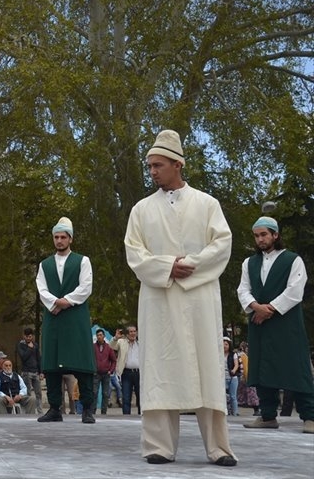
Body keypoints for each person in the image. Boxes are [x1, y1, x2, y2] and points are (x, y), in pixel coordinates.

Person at [125, 129, 236, 466]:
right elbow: (134, 253)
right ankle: (158, 445)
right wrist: (167, 267)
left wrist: (189, 266)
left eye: (158, 165)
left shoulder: (207, 204)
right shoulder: (141, 210)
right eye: (150, 166)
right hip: (158, 299)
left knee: (207, 366)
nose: (153, 171)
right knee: (160, 365)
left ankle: (218, 447)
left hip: (200, 297)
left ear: (177, 164)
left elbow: (222, 245)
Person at [237, 216, 314, 434]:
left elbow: (295, 290)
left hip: (286, 322)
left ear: (275, 235)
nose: (260, 239)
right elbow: (243, 289)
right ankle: (268, 415)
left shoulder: (293, 259)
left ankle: (310, 416)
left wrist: (268, 309)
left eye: (264, 234)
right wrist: (255, 307)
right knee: (262, 367)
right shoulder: (249, 263)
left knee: (296, 366)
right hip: (259, 323)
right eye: (256, 235)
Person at [36, 217, 96, 424]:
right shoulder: (45, 265)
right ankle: (54, 408)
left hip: (75, 317)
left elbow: (85, 287)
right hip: (53, 318)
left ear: (70, 239)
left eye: (63, 237)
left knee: (81, 363)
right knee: (52, 364)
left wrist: (66, 302)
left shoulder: (83, 261)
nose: (59, 240)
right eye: (56, 237)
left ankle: (87, 409)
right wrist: (54, 303)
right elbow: (41, 288)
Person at [111, 325, 141, 415]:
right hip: (126, 373)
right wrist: (115, 338)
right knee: (126, 397)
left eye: (134, 331)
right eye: (131, 332)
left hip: (138, 373)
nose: (133, 333)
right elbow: (111, 346)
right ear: (127, 334)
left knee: (140, 397)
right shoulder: (121, 342)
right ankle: (126, 417)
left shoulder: (140, 343)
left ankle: (141, 415)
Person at [16, 328, 43, 413]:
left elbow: (38, 358)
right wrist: (29, 348)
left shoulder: (35, 345)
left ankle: (40, 410)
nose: (28, 338)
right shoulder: (20, 345)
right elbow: (23, 357)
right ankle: (30, 410)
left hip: (35, 372)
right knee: (28, 393)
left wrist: (41, 371)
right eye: (27, 336)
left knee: (38, 393)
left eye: (30, 336)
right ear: (24, 336)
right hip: (26, 372)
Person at [93, 329, 116, 415]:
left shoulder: (109, 348)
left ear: (104, 336)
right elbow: (90, 359)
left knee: (105, 394)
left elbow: (114, 360)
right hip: (96, 373)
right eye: (98, 335)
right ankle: (93, 411)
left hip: (106, 374)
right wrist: (93, 369)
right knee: (94, 392)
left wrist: (111, 370)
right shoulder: (93, 347)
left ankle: (104, 412)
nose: (99, 336)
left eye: (101, 335)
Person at [224, 338, 241, 416]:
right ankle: (225, 412)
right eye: (223, 344)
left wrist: (234, 370)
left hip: (232, 377)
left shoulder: (233, 354)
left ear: (229, 345)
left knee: (233, 396)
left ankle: (235, 412)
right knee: (224, 396)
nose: (224, 346)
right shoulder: (219, 354)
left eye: (226, 344)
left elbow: (236, 364)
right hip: (223, 377)